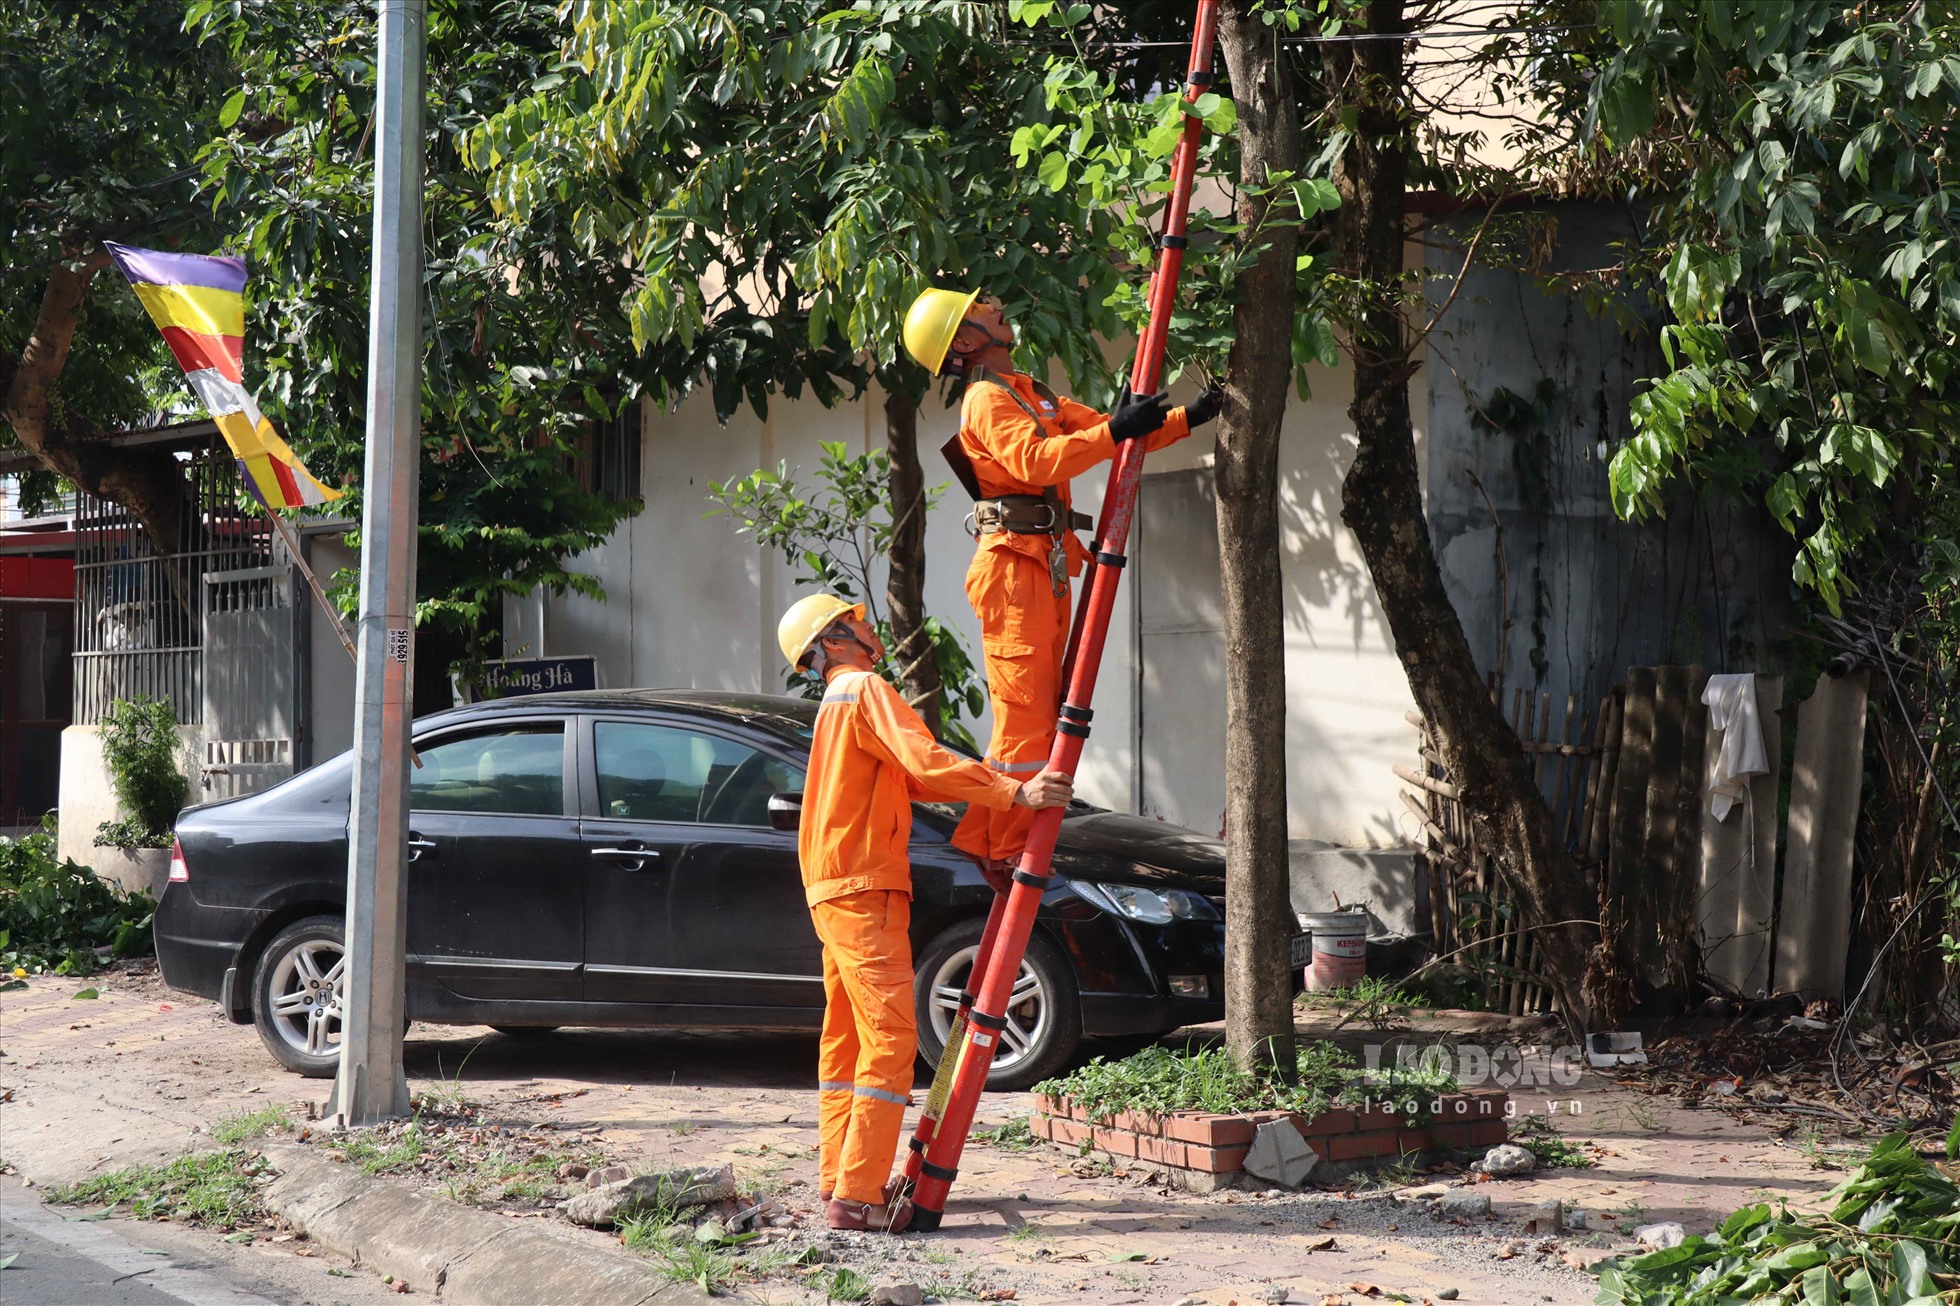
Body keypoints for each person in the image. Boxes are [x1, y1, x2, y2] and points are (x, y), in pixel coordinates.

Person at [777, 592, 1074, 1233]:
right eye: (852, 621)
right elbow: (926, 760)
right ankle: (857, 1196)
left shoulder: (835, 707)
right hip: (863, 887)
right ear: (832, 641)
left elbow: (913, 781)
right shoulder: (864, 690)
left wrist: (982, 837)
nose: (866, 625)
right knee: (891, 1039)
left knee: (848, 1039)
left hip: (833, 886)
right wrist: (1015, 791)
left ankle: (840, 1179)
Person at [901, 288, 1222, 875]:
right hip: (1011, 572)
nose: (997, 305)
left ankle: (1010, 842)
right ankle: (999, 852)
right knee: (1024, 720)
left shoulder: (1033, 393)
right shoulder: (984, 401)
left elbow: (1112, 435)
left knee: (1049, 715)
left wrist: (1187, 418)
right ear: (968, 341)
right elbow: (1039, 463)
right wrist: (1116, 430)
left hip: (1043, 565)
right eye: (980, 308)